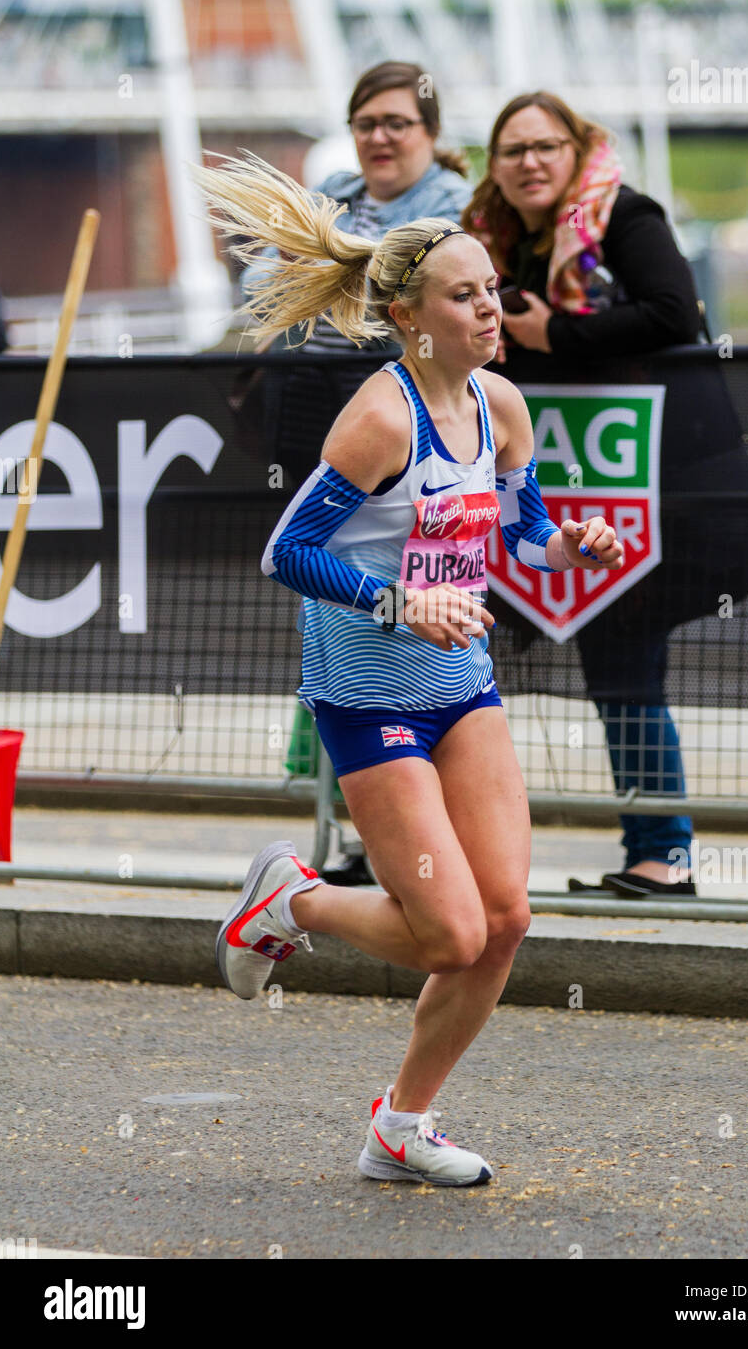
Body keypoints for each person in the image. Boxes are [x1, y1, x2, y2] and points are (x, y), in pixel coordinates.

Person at [195, 152, 624, 1186]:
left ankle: (400, 1124)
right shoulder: (378, 420)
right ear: (409, 317)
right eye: (465, 295)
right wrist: (399, 601)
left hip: (460, 687)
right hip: (366, 698)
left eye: (489, 290)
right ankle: (286, 900)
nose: (488, 308)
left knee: (504, 920)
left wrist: (577, 546)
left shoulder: (501, 409)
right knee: (447, 932)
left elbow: (520, 534)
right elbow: (286, 553)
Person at [463, 91, 702, 898]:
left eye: (546, 145)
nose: (530, 161)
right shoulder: (496, 242)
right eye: (512, 149)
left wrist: (551, 335)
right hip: (530, 485)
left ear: (577, 150)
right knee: (458, 665)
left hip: (635, 483)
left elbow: (674, 311)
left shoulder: (626, 217)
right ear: (494, 167)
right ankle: (461, 861)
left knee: (627, 668)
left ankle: (661, 857)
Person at [240, 61, 472, 883]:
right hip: (317, 420)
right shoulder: (334, 191)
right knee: (329, 610)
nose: (379, 136)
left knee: (409, 626)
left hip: (408, 428)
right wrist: (340, 263)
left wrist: (332, 264)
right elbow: (259, 283)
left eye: (397, 123)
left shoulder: (449, 205)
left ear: (430, 135)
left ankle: (414, 842)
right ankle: (359, 835)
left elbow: (417, 277)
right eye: (366, 121)